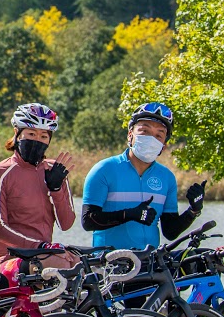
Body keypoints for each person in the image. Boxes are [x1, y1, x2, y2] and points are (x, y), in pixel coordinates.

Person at [81, 101, 206, 249]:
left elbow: (170, 231)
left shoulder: (167, 178)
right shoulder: (104, 169)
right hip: (109, 262)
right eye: (144, 131)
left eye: (159, 135)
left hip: (150, 263)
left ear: (163, 147)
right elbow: (88, 221)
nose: (151, 138)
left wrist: (193, 210)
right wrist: (129, 215)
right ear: (130, 135)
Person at [0, 102, 76, 268]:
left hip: (43, 253)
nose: (37, 140)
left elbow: (66, 224)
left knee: (81, 263)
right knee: (60, 264)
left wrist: (56, 189)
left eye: (43, 136)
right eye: (31, 134)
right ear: (17, 133)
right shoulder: (0, 172)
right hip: (7, 259)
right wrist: (39, 246)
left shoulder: (55, 170)